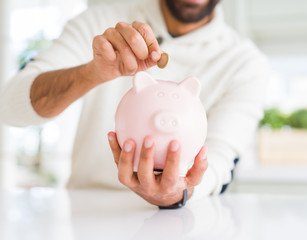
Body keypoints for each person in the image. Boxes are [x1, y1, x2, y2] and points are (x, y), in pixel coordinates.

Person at [0, 0, 269, 207]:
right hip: (87, 212)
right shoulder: (102, 22)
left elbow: (220, 160)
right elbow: (10, 107)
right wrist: (92, 72)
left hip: (184, 217)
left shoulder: (244, 62)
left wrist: (178, 192)